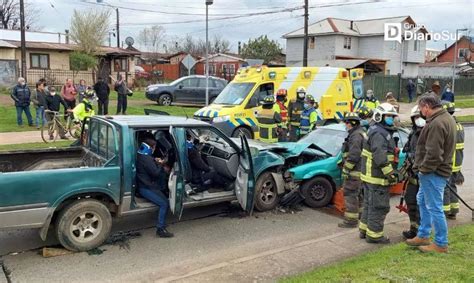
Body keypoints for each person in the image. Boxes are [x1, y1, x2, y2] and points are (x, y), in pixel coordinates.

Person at [406, 94, 456, 253]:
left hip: (433, 173)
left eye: (421, 108)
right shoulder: (445, 118)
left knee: (434, 207)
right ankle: (423, 234)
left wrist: (423, 170)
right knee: (422, 200)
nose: (421, 112)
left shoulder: (437, 123)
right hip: (434, 171)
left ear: (427, 106)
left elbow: (434, 153)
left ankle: (441, 243)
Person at [359, 103, 399, 244]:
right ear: (379, 116)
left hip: (370, 177)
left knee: (369, 205)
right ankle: (374, 236)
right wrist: (390, 174)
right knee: (379, 207)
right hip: (377, 178)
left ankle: (364, 230)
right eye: (389, 116)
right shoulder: (379, 133)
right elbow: (380, 156)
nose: (391, 119)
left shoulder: (375, 130)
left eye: (392, 117)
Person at [136, 138, 174, 238]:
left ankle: (161, 224)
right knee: (164, 203)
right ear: (152, 147)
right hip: (146, 188)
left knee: (163, 195)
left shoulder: (140, 155)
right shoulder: (147, 159)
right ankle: (160, 229)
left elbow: (148, 163)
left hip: (143, 184)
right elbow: (156, 173)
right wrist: (161, 164)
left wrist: (154, 160)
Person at [400, 105, 425, 239]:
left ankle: (422, 232)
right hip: (412, 176)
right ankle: (413, 229)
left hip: (423, 176)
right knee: (411, 202)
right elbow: (407, 149)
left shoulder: (428, 133)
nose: (418, 119)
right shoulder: (413, 133)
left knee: (422, 205)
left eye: (420, 117)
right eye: (415, 117)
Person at [338, 112, 367, 228]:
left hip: (354, 172)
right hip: (361, 171)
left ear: (351, 123)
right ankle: (361, 217)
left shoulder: (355, 136)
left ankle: (351, 221)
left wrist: (346, 169)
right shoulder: (360, 133)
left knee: (350, 194)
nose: (345, 125)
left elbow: (354, 155)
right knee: (359, 195)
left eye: (346, 123)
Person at [441, 101, 464, 220]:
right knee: (452, 187)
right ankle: (454, 210)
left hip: (449, 162)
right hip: (457, 163)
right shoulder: (459, 125)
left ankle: (445, 212)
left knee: (445, 188)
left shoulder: (448, 125)